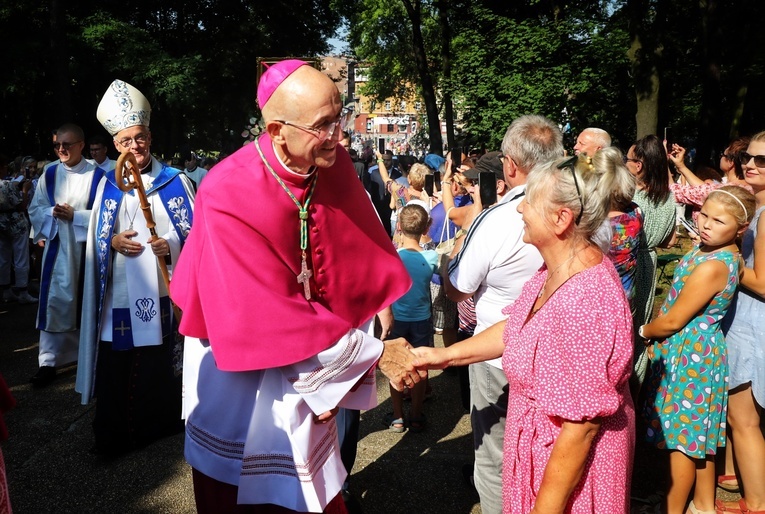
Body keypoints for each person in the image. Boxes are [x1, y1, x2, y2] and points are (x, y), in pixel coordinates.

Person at [170, 59, 422, 513]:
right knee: (249, 487)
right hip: (241, 373)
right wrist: (373, 355)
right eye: (324, 125)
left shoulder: (332, 162)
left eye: (339, 116)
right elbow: (262, 313)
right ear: (276, 130)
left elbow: (352, 261)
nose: (339, 135)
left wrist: (356, 338)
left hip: (315, 347)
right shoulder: (226, 190)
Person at [413, 152, 635, 513]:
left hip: (568, 482)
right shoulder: (558, 269)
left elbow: (581, 429)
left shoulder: (587, 300)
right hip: (539, 458)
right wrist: (443, 355)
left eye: (529, 202)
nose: (520, 210)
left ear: (561, 218)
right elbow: (520, 327)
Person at [442, 115, 562, 514]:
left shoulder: (496, 220)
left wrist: (448, 264)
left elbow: (459, 288)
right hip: (555, 350)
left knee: (494, 454)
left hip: (498, 353)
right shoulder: (578, 211)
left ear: (510, 165)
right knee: (546, 449)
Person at [76, 79, 196, 456]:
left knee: (157, 362)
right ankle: (113, 435)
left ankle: (157, 425)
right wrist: (110, 242)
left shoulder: (176, 182)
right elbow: (98, 234)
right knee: (118, 362)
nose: (134, 147)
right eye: (125, 141)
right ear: (115, 145)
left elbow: (198, 236)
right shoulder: (108, 185)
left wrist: (171, 245)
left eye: (139, 138)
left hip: (163, 292)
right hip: (120, 294)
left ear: (150, 136)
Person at [640, 186, 755, 514]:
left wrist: (643, 331)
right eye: (703, 214)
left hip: (692, 355)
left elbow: (674, 320)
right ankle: (703, 504)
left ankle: (671, 510)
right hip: (696, 352)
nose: (705, 224)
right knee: (696, 438)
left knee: (681, 444)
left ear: (740, 229)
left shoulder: (713, 264)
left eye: (718, 221)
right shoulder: (716, 252)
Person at [27, 123, 105, 387]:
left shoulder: (99, 176)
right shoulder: (48, 174)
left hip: (86, 252)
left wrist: (77, 216)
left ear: (81, 145)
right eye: (57, 145)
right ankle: (48, 361)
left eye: (67, 145)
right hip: (56, 250)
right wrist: (51, 214)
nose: (61, 149)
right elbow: (36, 208)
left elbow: (107, 215)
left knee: (85, 301)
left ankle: (86, 355)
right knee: (53, 303)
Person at [717, 134, 765, 514]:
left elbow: (763, 283)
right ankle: (733, 475)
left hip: (751, 323)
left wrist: (729, 255)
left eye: (762, 161)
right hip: (745, 319)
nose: (750, 165)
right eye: (748, 157)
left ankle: (757, 501)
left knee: (743, 418)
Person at [625, 134, 678, 388]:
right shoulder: (668, 196)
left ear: (639, 165)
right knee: (640, 325)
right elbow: (670, 240)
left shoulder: (628, 196)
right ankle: (637, 384)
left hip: (629, 261)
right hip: (650, 261)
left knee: (625, 322)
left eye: (628, 159)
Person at [385, 204, 438, 433]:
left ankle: (397, 416)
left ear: (399, 227)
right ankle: (416, 414)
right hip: (421, 319)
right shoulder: (432, 256)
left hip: (397, 319)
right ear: (426, 227)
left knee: (395, 363)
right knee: (421, 365)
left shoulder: (392, 257)